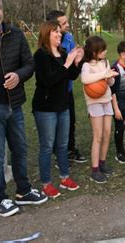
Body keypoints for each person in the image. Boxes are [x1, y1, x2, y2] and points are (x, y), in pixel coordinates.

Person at [0, 0, 47, 217]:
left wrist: (19, 75)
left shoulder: (15, 34)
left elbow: (29, 64)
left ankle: (24, 191)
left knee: (20, 149)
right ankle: (0, 199)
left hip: (14, 105)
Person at [32, 21, 83, 198]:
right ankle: (46, 184)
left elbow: (71, 77)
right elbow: (48, 80)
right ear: (47, 34)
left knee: (62, 145)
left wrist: (77, 62)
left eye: (60, 32)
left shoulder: (62, 53)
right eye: (56, 32)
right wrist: (67, 64)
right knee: (47, 146)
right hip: (46, 108)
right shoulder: (40, 55)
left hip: (63, 106)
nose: (60, 35)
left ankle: (64, 177)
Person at [46, 10, 87, 163]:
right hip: (54, 93)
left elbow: (72, 70)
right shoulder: (49, 47)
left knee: (71, 120)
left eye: (66, 22)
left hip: (67, 89)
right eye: (63, 23)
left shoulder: (69, 37)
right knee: (56, 124)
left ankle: (70, 149)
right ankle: (58, 153)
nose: (68, 25)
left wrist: (79, 59)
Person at [81, 36, 118, 183]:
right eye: (102, 50)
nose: (105, 51)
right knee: (98, 135)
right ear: (94, 51)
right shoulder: (86, 65)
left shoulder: (106, 62)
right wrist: (104, 74)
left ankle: (102, 163)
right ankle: (95, 169)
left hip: (106, 100)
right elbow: (85, 79)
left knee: (107, 133)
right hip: (94, 102)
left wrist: (110, 78)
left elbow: (110, 82)